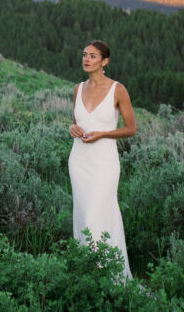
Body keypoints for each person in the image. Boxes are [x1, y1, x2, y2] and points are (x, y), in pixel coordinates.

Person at [67, 40, 136, 278]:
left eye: (93, 56)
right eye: (84, 55)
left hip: (105, 164)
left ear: (104, 61)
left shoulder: (118, 89)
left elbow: (130, 128)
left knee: (97, 213)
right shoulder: (78, 89)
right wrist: (72, 129)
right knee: (84, 215)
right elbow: (77, 123)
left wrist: (104, 133)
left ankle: (107, 274)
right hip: (79, 162)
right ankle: (86, 272)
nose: (86, 59)